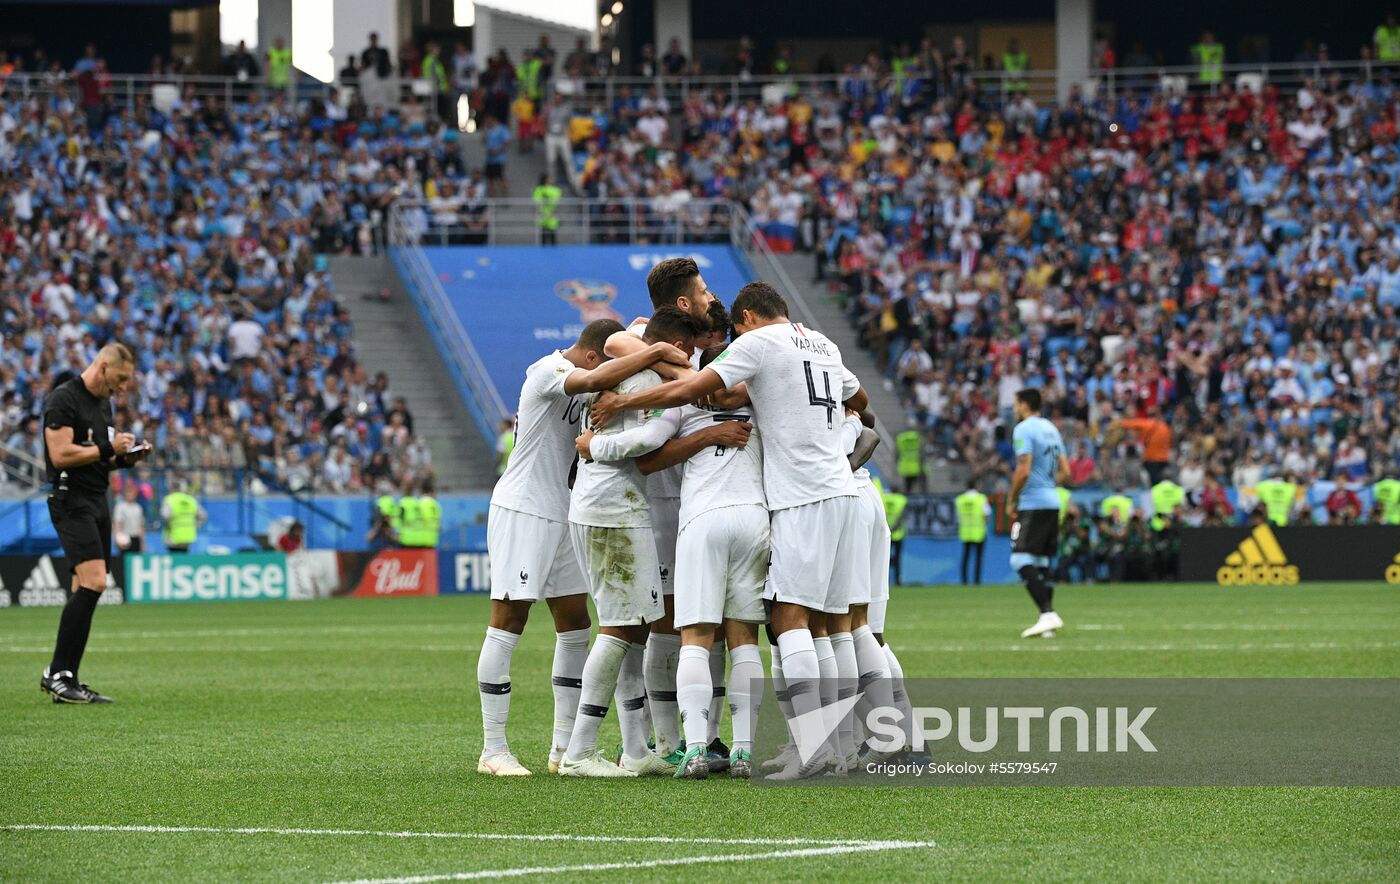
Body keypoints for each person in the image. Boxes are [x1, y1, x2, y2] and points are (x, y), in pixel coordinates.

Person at [588, 282, 874, 780]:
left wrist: (618, 409)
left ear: (747, 319)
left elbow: (684, 399)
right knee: (828, 627)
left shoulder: (755, 346)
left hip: (778, 501)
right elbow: (862, 404)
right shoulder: (821, 343)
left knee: (763, 625)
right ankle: (820, 745)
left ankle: (735, 747)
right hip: (821, 499)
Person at [477, 319, 690, 777]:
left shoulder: (597, 375)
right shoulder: (547, 371)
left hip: (567, 507)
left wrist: (650, 347)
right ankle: (493, 749)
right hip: (524, 507)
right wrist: (655, 354)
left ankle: (562, 747)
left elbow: (629, 339)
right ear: (593, 355)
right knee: (509, 618)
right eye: (604, 364)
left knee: (575, 624)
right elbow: (592, 379)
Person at [580, 341, 761, 779]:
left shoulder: (684, 402)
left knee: (695, 638)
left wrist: (594, 445)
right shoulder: (762, 400)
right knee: (744, 641)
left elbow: (647, 450)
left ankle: (694, 749)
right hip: (756, 518)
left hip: (701, 519)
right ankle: (743, 752)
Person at [558, 308, 706, 778]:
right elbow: (648, 442)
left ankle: (636, 749)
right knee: (620, 628)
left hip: (603, 505)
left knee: (635, 628)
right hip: (613, 511)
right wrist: (596, 447)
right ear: (678, 347)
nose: (689, 360)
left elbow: (621, 338)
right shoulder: (647, 383)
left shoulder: (619, 371)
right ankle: (579, 751)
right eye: (688, 351)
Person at [597, 259, 722, 768]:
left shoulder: (708, 344)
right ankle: (658, 741)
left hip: (697, 500)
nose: (712, 297)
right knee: (660, 622)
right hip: (654, 500)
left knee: (700, 620)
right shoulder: (641, 335)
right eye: (704, 291)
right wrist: (681, 372)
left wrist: (686, 372)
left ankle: (699, 736)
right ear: (684, 302)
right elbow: (614, 343)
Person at [40, 343, 149, 704]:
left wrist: (126, 459)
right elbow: (60, 454)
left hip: (97, 499)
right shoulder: (64, 398)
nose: (123, 386)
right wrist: (107, 450)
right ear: (103, 367)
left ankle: (67, 679)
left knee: (85, 589)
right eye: (121, 378)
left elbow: (97, 458)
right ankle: (57, 674)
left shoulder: (104, 404)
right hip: (71, 499)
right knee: (95, 582)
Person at [1007, 388, 1072, 639]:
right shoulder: (1051, 428)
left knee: (1020, 560)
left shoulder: (1023, 429)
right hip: (1052, 500)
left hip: (1033, 503)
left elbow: (1023, 470)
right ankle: (1048, 624)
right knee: (1042, 563)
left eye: (1016, 404)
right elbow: (1066, 471)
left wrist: (1012, 499)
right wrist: (1047, 484)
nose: (1015, 408)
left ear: (1024, 405)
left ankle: (1047, 613)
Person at [1116, 405, 1172, 486]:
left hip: (1151, 459)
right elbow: (1169, 443)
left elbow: (1125, 424)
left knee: (1154, 484)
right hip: (1164, 459)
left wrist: (1118, 420)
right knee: (1163, 483)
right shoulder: (1165, 427)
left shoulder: (1145, 424)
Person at [955, 479, 991, 585]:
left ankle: (964, 581)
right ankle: (977, 581)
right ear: (976, 486)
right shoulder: (981, 498)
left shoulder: (960, 499)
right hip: (979, 531)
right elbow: (986, 514)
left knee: (965, 557)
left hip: (965, 532)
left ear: (966, 486)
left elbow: (958, 517)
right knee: (978, 558)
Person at [160, 480, 206, 553]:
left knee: (174, 557)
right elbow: (203, 515)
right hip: (188, 536)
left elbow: (165, 515)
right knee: (184, 556)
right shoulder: (191, 500)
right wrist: (196, 526)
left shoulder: (170, 499)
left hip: (173, 536)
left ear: (171, 488)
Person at [882, 479, 908, 586]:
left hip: (885, 532)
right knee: (897, 558)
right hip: (898, 534)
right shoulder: (902, 500)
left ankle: (882, 581)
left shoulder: (884, 498)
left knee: (883, 558)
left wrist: (888, 527)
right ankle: (897, 580)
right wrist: (894, 528)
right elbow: (903, 517)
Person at [113, 483, 146, 554]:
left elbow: (141, 526)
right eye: (128, 492)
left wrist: (142, 542)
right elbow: (117, 524)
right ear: (125, 494)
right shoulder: (120, 507)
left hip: (136, 538)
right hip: (125, 538)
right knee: (124, 558)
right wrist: (117, 538)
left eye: (131, 493)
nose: (130, 495)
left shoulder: (138, 508)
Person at [483, 114, 511, 197]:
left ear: (493, 119)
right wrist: (485, 131)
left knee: (501, 178)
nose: (487, 122)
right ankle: (492, 197)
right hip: (489, 159)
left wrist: (497, 151)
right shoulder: (489, 130)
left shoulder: (502, 129)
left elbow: (506, 142)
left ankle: (505, 196)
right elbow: (484, 141)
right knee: (490, 179)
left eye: (489, 120)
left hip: (499, 159)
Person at [533, 174, 562, 245]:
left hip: (552, 215)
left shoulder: (554, 189)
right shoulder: (539, 189)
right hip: (543, 216)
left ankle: (553, 250)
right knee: (543, 236)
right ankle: (543, 250)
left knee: (552, 236)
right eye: (548, 179)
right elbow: (537, 201)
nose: (550, 180)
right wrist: (543, 211)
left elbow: (557, 199)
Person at [895, 428, 925, 493]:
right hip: (917, 467)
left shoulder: (901, 439)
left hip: (906, 467)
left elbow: (897, 455)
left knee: (908, 488)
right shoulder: (917, 439)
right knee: (921, 488)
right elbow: (922, 454)